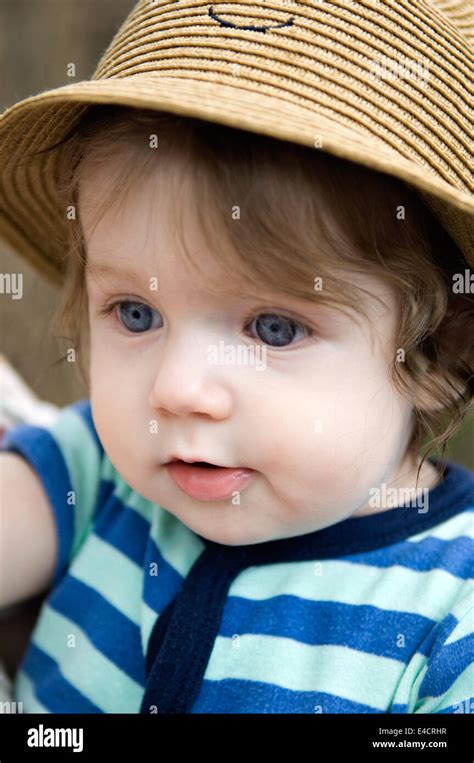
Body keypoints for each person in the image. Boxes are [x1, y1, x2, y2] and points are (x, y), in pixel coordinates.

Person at [0, 0, 472, 714]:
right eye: (137, 313)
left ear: (437, 348)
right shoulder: (94, 466)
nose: (178, 389)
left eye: (275, 328)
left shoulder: (452, 621)